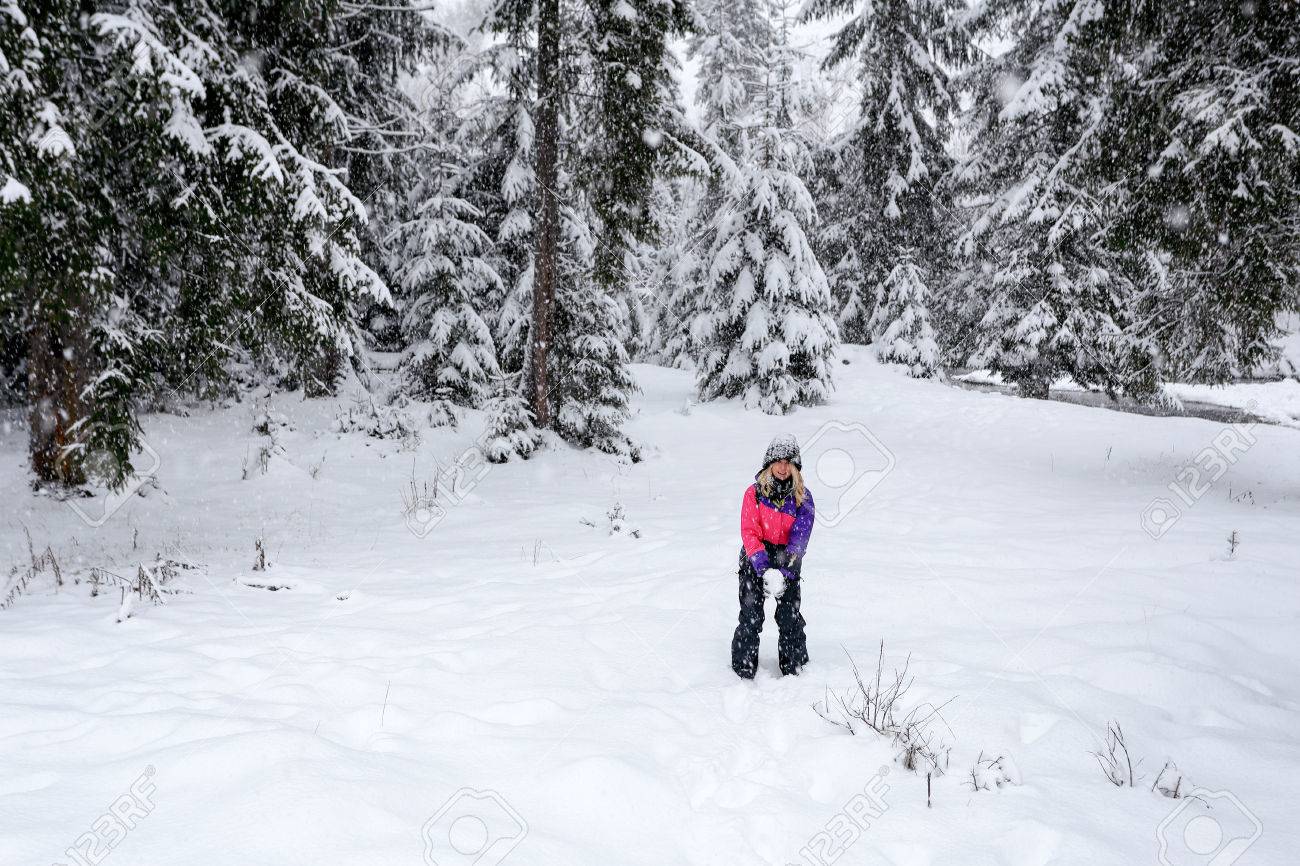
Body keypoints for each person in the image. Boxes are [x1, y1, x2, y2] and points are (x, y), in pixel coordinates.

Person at [732, 433, 814, 679]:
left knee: (789, 616)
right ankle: (743, 669)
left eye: (788, 461)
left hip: (787, 558)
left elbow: (800, 537)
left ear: (795, 466)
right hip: (755, 556)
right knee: (751, 616)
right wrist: (762, 566)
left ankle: (794, 668)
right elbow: (749, 531)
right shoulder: (754, 493)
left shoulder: (803, 498)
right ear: (769, 463)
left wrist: (786, 569)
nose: (782, 467)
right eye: (778, 461)